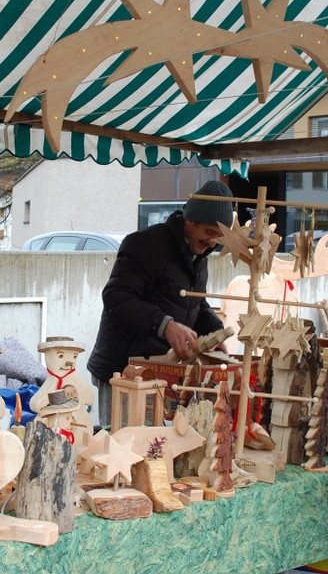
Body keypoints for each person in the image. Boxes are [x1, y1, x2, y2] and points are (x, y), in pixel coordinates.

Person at [87, 179, 233, 427]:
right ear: (190, 221)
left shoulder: (199, 255)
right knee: (122, 443)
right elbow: (116, 297)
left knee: (157, 446)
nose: (212, 242)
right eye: (209, 232)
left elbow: (195, 303)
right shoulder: (144, 244)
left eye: (219, 237)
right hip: (122, 371)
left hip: (161, 374)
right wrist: (165, 325)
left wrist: (214, 333)